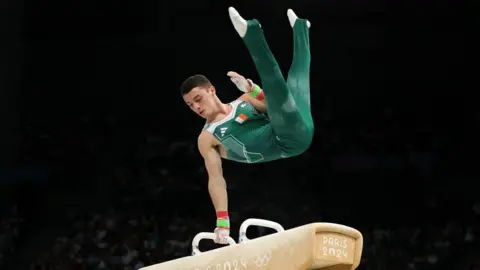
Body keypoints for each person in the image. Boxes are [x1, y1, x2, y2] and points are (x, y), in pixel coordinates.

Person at [180, 7, 313, 244]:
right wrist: (222, 223)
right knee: (280, 86)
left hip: (295, 127)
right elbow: (216, 179)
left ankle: (301, 27)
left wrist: (251, 91)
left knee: (296, 82)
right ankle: (252, 32)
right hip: (287, 143)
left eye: (198, 99)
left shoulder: (243, 102)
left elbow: (276, 107)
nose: (196, 107)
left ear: (212, 90)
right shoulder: (208, 137)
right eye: (190, 105)